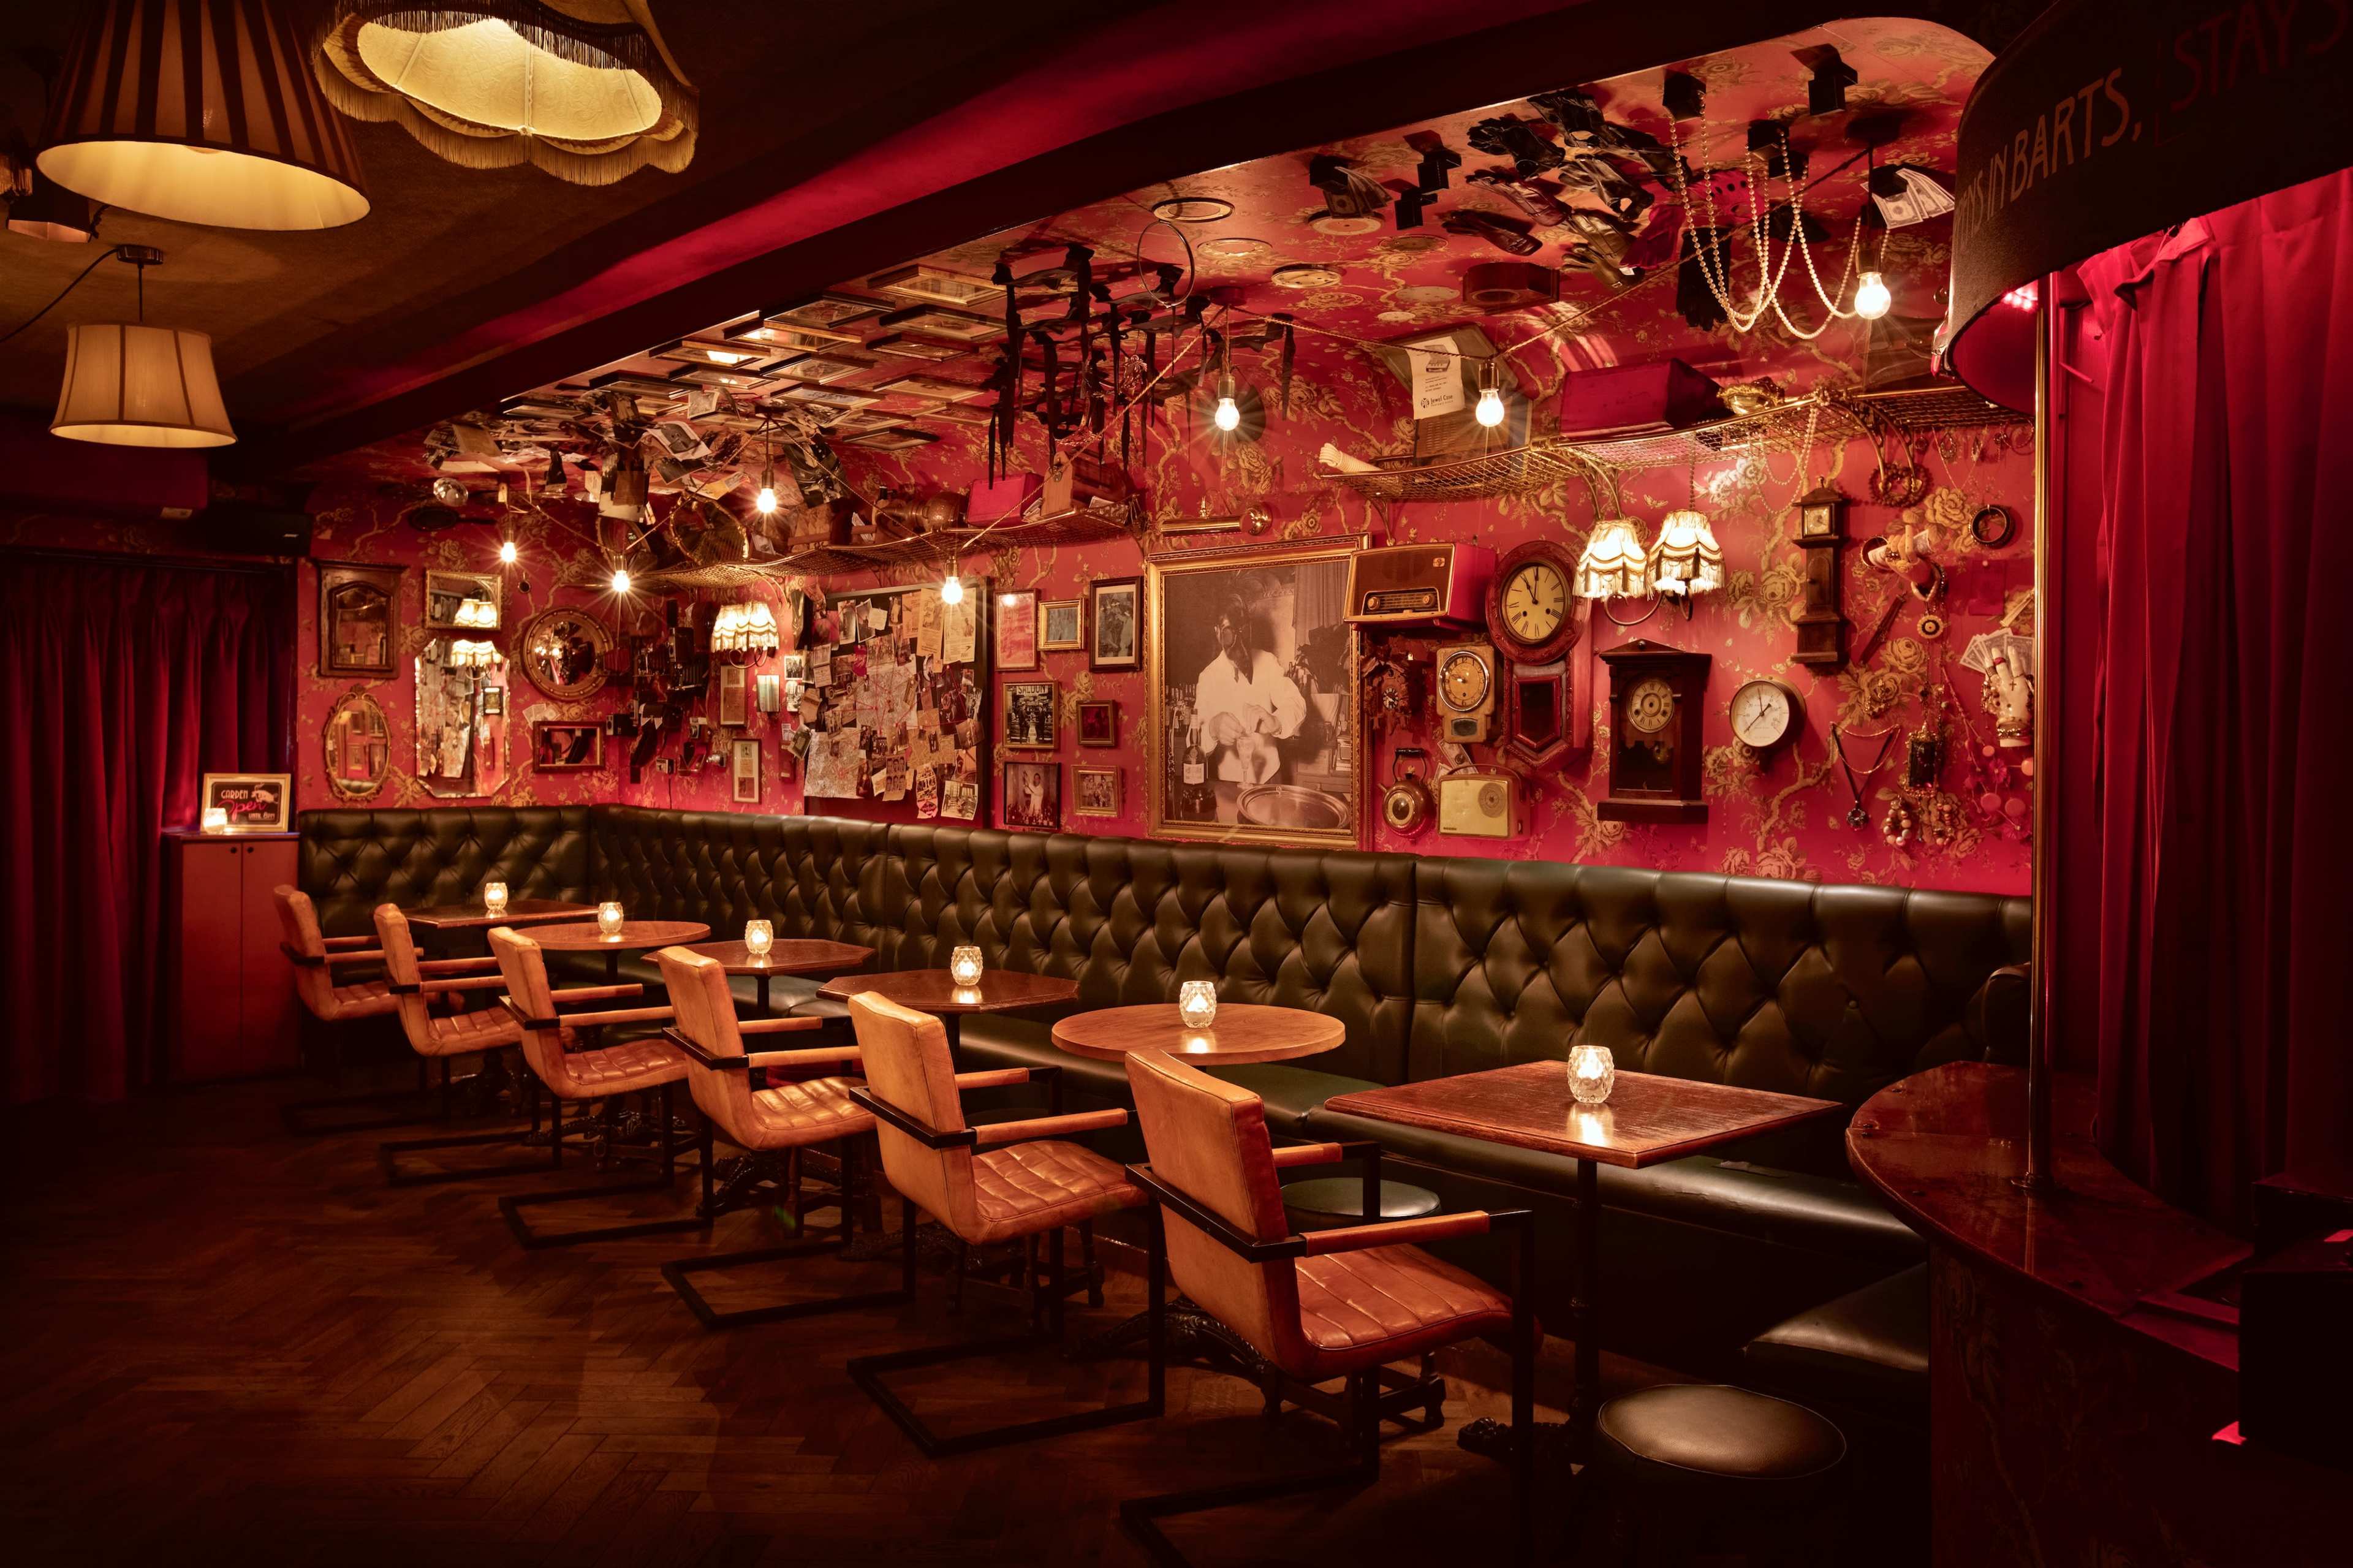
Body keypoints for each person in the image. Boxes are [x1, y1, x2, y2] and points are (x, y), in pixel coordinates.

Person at [1193, 596, 1305, 787]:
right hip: (1230, 785)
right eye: (1228, 631)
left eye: (1241, 630)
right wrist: (1212, 729)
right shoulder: (1208, 677)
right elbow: (1193, 746)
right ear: (1217, 632)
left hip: (1270, 779)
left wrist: (1276, 721)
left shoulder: (1268, 662)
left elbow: (1296, 702)